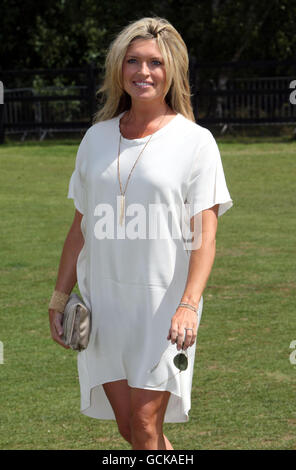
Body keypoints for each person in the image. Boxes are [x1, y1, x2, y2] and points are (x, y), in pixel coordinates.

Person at [48, 17, 233, 450]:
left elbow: (204, 235)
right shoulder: (95, 138)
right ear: (119, 68)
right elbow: (81, 227)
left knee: (147, 426)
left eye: (155, 62)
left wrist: (189, 304)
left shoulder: (196, 142)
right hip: (104, 303)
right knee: (129, 428)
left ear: (173, 71)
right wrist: (60, 297)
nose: (143, 72)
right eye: (133, 60)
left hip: (164, 305)